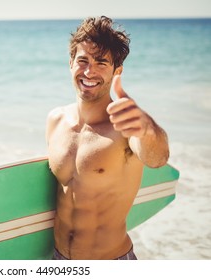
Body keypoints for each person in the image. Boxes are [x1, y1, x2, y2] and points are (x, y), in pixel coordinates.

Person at [46, 16, 169, 260]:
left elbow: (158, 158)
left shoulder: (125, 127)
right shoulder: (55, 120)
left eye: (101, 62)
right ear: (70, 63)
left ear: (117, 71)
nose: (89, 71)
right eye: (82, 60)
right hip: (59, 260)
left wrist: (147, 129)